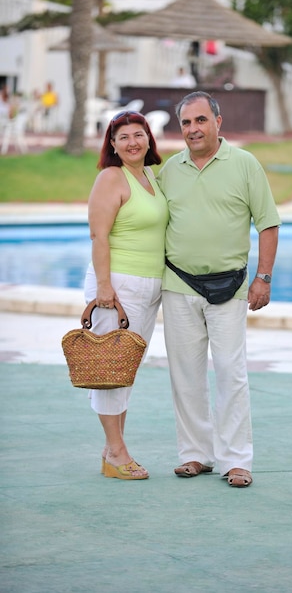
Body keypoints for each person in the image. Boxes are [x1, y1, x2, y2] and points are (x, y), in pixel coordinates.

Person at [157, 91, 281, 488]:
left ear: (217, 122)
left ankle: (236, 460)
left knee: (231, 372)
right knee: (185, 375)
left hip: (231, 286)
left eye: (200, 120)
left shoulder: (245, 164)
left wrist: (263, 277)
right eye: (186, 123)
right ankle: (195, 455)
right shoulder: (169, 170)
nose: (193, 129)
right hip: (178, 284)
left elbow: (268, 223)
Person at [84, 110, 169, 480]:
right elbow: (99, 236)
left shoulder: (150, 175)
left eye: (139, 134)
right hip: (117, 286)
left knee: (124, 370)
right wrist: (105, 288)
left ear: (149, 138)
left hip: (148, 286)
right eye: (123, 137)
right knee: (109, 370)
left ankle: (112, 450)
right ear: (113, 146)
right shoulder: (111, 178)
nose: (132, 142)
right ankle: (117, 453)